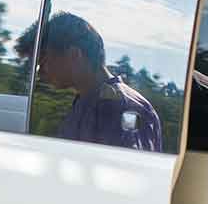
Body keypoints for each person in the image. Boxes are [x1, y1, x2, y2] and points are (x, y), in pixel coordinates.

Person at [23, 11, 163, 151]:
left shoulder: (123, 108)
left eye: (43, 62)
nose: (40, 73)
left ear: (74, 56)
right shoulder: (86, 101)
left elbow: (131, 168)